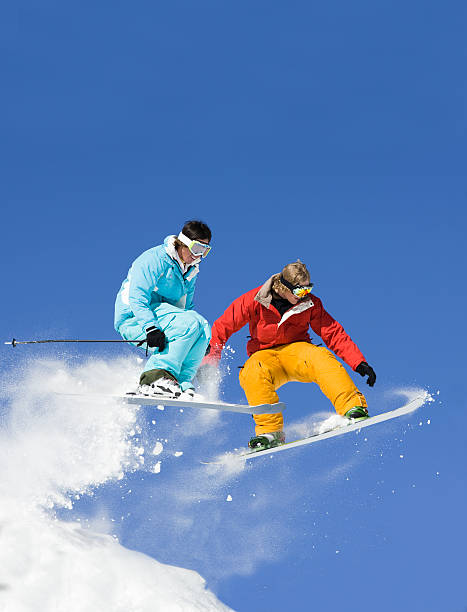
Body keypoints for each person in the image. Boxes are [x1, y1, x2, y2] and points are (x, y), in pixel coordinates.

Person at [203, 260, 376, 450]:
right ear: (283, 287)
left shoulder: (311, 303)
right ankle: (270, 432)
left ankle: (352, 408)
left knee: (321, 358)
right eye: (300, 291)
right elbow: (223, 326)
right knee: (252, 371)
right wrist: (210, 361)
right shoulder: (254, 300)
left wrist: (358, 362)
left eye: (308, 289)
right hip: (265, 356)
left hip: (297, 352)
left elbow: (332, 332)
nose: (305, 295)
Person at [114, 220, 212, 399]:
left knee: (203, 328)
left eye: (205, 251)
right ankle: (154, 378)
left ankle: (181, 382)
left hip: (163, 317)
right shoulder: (155, 259)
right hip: (135, 318)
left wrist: (200, 339)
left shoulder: (190, 271)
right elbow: (137, 296)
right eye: (197, 249)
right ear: (183, 243)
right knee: (189, 325)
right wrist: (150, 327)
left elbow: (186, 308)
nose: (199, 256)